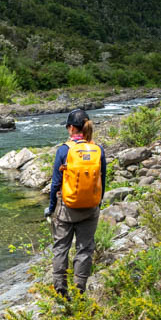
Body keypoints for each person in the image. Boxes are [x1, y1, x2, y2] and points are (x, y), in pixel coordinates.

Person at [43, 109, 106, 298]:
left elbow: (55, 183)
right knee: (85, 248)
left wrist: (52, 208)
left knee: (61, 247)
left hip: (67, 208)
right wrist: (98, 203)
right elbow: (102, 179)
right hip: (90, 208)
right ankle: (79, 289)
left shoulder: (64, 150)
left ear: (71, 128)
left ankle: (61, 289)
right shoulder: (98, 149)